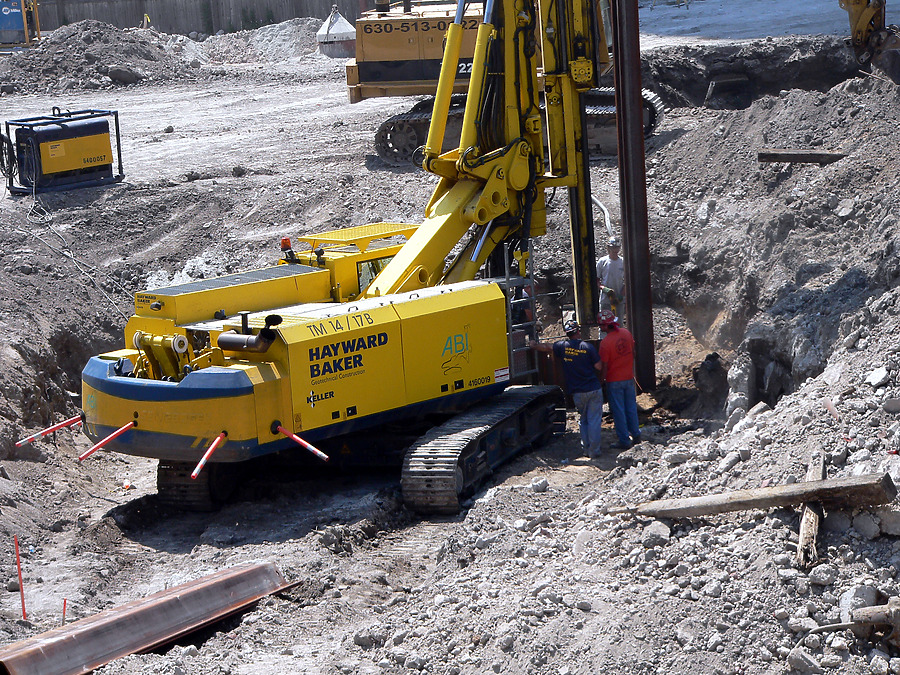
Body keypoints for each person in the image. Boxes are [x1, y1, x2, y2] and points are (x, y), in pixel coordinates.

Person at [531, 319, 604, 458]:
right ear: (578, 332)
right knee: (594, 420)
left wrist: (534, 345)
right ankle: (594, 451)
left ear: (567, 333)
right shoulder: (587, 347)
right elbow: (599, 366)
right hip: (593, 389)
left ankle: (586, 449)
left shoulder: (562, 346)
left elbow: (546, 347)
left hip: (577, 392)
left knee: (583, 420)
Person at [597, 309, 641, 450]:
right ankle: (636, 435)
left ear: (606, 326)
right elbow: (634, 352)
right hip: (628, 378)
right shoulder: (626, 333)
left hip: (614, 381)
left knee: (618, 411)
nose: (600, 327)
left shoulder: (605, 343)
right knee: (631, 407)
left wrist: (601, 381)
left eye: (600, 325)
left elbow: (604, 366)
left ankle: (624, 440)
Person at [596, 236, 625, 319]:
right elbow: (596, 280)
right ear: (608, 248)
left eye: (617, 247)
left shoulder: (623, 262)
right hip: (605, 300)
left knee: (618, 323)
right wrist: (604, 289)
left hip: (619, 300)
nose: (615, 250)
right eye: (613, 248)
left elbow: (628, 282)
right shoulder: (602, 262)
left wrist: (620, 296)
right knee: (605, 323)